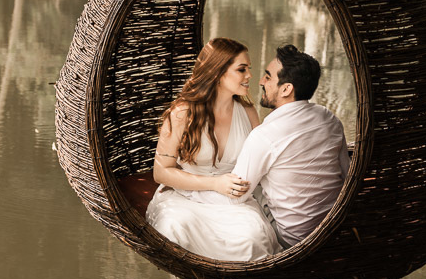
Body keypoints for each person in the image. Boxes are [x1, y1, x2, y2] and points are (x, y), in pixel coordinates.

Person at [145, 38, 281, 261]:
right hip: (186, 198)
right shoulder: (182, 113)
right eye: (241, 69)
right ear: (217, 72)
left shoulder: (247, 112)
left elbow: (263, 161)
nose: (249, 76)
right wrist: (215, 184)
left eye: (249, 69)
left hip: (233, 203)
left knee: (253, 239)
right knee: (175, 229)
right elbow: (161, 173)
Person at [227, 44, 350, 248]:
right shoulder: (329, 118)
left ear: (286, 89)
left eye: (268, 77)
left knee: (241, 197)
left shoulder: (264, 136)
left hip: (294, 239)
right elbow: (347, 175)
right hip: (333, 228)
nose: (260, 82)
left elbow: (235, 197)